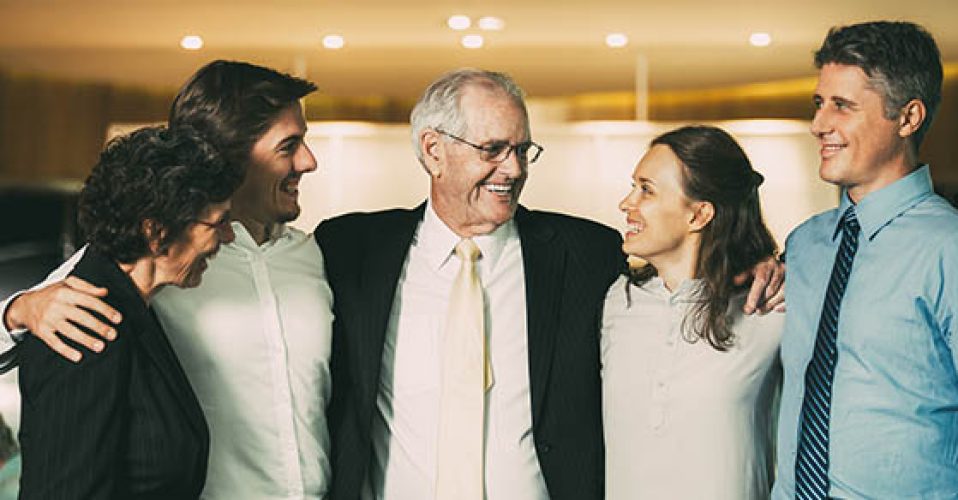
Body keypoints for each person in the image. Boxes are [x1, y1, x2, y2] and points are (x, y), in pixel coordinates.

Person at [314, 69, 785, 499]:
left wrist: (764, 264)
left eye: (522, 150)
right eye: (493, 150)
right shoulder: (351, 249)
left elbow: (691, 270)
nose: (514, 170)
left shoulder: (590, 254)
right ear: (434, 150)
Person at [0, 60, 333, 499]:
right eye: (289, 146)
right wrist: (19, 309)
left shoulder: (316, 256)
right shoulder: (154, 253)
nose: (309, 161)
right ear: (231, 156)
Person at [772, 21, 958, 499]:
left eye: (843, 106)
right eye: (819, 103)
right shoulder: (804, 246)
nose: (818, 125)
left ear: (908, 117)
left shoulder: (948, 247)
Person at [17, 125, 240, 498]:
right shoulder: (86, 324)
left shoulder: (133, 306)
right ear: (156, 232)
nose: (229, 237)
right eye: (218, 223)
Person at [602, 125, 782, 499]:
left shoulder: (772, 306)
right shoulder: (617, 300)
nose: (626, 203)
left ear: (699, 215)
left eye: (646, 190)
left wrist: (783, 268)